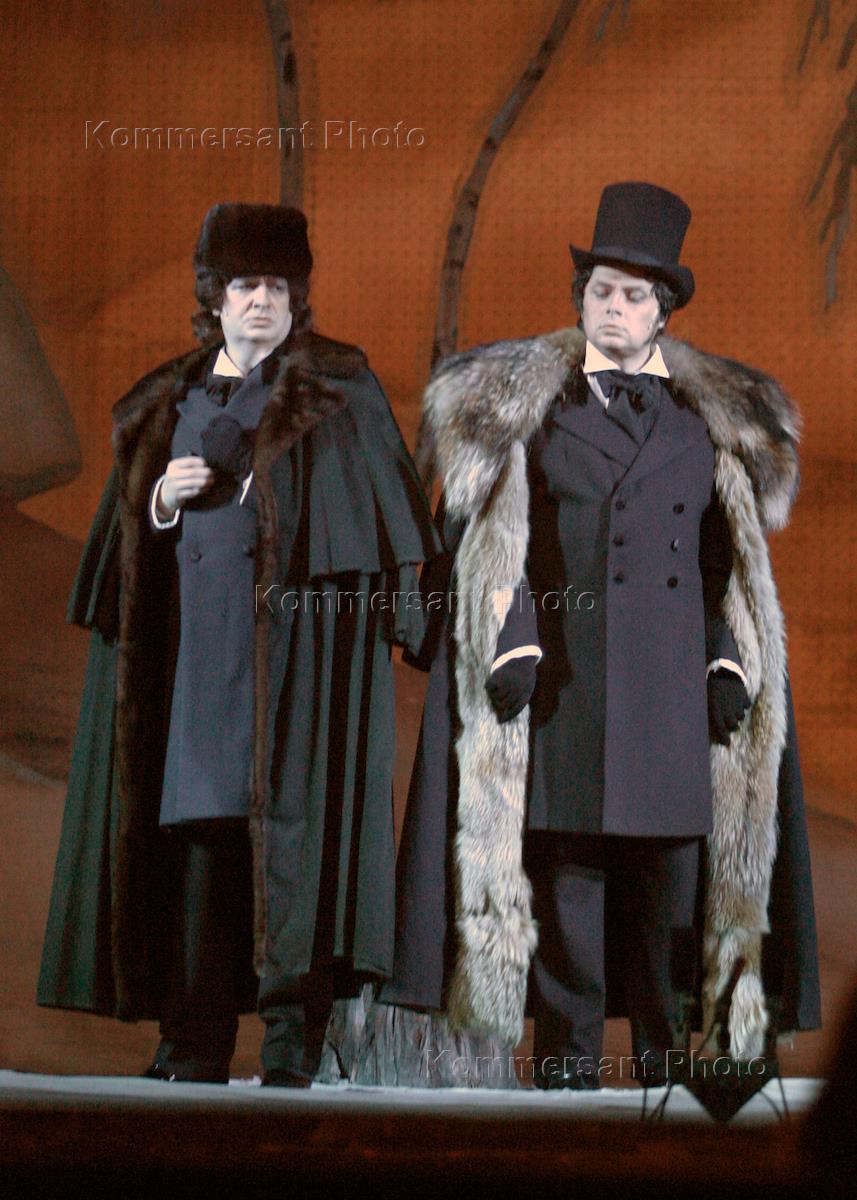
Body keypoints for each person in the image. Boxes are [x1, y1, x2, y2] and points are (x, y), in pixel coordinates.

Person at [382, 182, 820, 1088]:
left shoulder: (704, 425)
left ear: (663, 312)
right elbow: (491, 540)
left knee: (668, 900)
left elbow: (727, 563)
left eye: (632, 295)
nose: (613, 308)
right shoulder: (535, 411)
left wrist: (729, 657)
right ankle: (565, 1067)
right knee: (568, 897)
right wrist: (510, 637)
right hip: (563, 688)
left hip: (671, 693)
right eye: (599, 292)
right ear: (580, 299)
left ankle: (661, 1066)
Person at [37, 202, 440, 1085]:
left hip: (298, 670)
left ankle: (292, 1045)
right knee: (198, 843)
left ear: (298, 298)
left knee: (292, 844)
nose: (263, 301)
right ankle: (191, 1040)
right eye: (246, 285)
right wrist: (161, 500)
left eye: (279, 288)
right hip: (195, 665)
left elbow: (385, 523)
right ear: (214, 297)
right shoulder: (168, 400)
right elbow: (123, 559)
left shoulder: (336, 391)